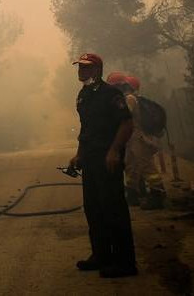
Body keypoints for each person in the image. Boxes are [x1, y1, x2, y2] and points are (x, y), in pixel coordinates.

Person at [70, 53, 137, 278]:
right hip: (90, 160)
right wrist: (79, 154)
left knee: (113, 209)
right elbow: (85, 128)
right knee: (94, 209)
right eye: (79, 67)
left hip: (108, 160)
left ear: (97, 70)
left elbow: (126, 124)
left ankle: (125, 263)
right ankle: (101, 256)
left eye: (86, 68)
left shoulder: (111, 94)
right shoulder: (84, 95)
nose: (81, 71)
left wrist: (114, 151)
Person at [118, 75, 166, 210]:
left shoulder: (130, 99)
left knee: (146, 165)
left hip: (137, 138)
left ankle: (158, 193)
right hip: (131, 138)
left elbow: (124, 116)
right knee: (131, 165)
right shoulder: (129, 98)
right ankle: (132, 193)